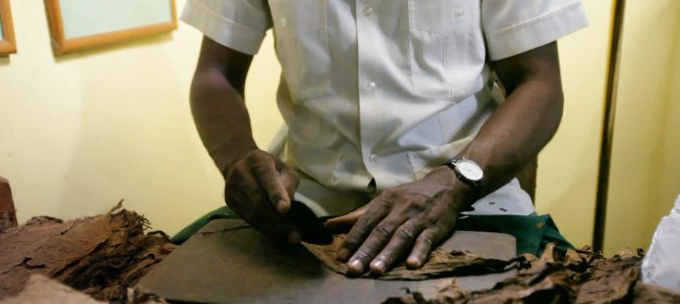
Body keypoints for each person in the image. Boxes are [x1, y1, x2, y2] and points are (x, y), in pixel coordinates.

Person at [181, 0, 588, 274]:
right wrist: (236, 158)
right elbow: (215, 74)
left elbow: (539, 83)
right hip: (307, 207)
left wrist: (453, 183)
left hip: (469, 198)